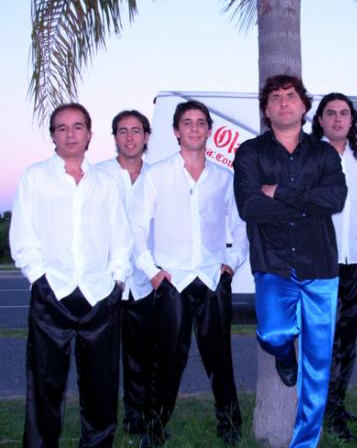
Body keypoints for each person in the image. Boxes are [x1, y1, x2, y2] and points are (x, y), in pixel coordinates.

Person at [233, 75, 347, 447]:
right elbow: (249, 205)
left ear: (304, 105)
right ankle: (284, 354)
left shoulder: (324, 154)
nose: (284, 102)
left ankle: (305, 443)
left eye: (291, 96)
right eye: (276, 97)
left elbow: (335, 200)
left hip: (319, 265)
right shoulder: (250, 152)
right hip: (273, 263)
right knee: (273, 334)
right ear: (266, 110)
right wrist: (306, 202)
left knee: (317, 363)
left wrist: (279, 191)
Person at [10, 103, 133, 447]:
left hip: (99, 295)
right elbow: (23, 235)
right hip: (52, 293)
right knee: (45, 385)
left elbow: (121, 238)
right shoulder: (35, 177)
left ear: (89, 135)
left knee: (101, 385)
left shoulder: (105, 182)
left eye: (78, 127)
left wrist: (117, 283)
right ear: (53, 136)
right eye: (61, 128)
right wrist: (40, 280)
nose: (70, 134)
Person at [129, 100, 248, 446]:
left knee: (220, 359)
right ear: (176, 131)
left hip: (212, 279)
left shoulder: (224, 177)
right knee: (166, 361)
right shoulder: (157, 175)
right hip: (172, 282)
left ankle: (230, 425)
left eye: (200, 122)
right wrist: (151, 271)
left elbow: (240, 226)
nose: (194, 128)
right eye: (187, 122)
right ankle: (154, 429)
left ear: (209, 130)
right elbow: (136, 227)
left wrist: (232, 262)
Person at [311, 92, 357, 441]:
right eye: (330, 113)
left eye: (344, 113)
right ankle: (317, 409)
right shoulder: (309, 157)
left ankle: (336, 407)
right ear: (320, 120)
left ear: (352, 121)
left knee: (347, 341)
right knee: (319, 341)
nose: (338, 119)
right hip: (318, 263)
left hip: (354, 263)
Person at [97, 110, 153, 434]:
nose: (129, 137)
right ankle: (101, 425)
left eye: (136, 130)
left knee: (140, 360)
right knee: (102, 361)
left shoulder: (157, 176)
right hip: (104, 283)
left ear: (147, 136)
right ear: (115, 137)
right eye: (122, 131)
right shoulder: (98, 175)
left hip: (143, 284)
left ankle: (137, 421)